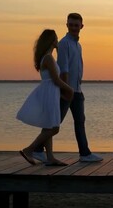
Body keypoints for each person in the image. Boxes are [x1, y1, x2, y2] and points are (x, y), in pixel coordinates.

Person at [33, 13, 103, 162]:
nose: (73, 27)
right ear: (67, 25)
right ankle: (37, 149)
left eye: (76, 25)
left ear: (81, 26)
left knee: (79, 122)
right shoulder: (64, 43)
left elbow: (77, 67)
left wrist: (78, 86)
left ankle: (85, 154)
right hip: (67, 91)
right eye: (70, 24)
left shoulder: (78, 45)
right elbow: (64, 69)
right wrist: (66, 91)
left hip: (77, 90)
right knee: (54, 123)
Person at [17, 29, 74, 166]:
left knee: (49, 125)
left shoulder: (48, 56)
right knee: (54, 128)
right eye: (56, 38)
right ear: (51, 41)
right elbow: (55, 79)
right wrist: (69, 89)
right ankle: (29, 149)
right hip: (49, 92)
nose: (57, 41)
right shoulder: (48, 58)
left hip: (50, 92)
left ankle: (50, 157)